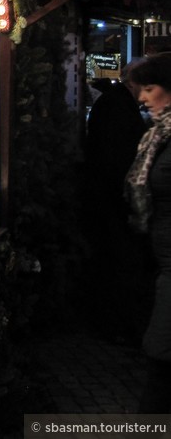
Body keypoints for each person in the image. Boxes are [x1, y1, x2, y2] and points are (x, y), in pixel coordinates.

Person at [83, 62, 150, 342]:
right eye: (146, 87)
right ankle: (118, 328)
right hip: (114, 201)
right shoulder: (118, 107)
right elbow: (118, 160)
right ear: (135, 82)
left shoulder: (116, 103)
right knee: (119, 264)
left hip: (110, 199)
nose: (146, 97)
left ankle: (116, 325)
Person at [124, 53, 171, 412]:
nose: (141, 97)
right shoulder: (158, 135)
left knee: (160, 356)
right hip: (162, 262)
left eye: (149, 88)